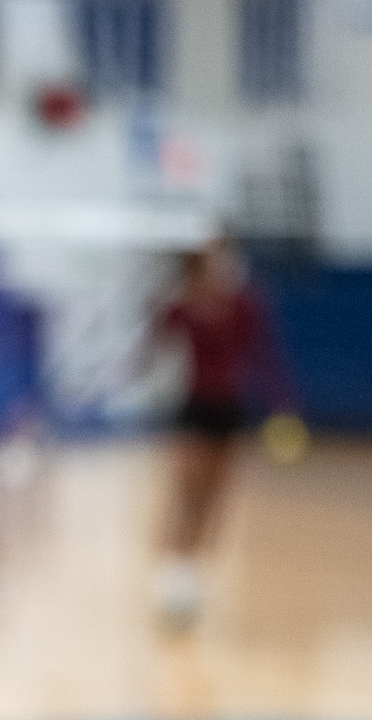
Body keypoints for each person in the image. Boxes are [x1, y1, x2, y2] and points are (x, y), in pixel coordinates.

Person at [150, 238, 296, 628]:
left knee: (214, 501)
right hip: (194, 409)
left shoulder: (246, 305)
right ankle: (173, 577)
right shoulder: (181, 307)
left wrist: (282, 402)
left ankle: (191, 576)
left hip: (228, 412)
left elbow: (265, 355)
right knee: (187, 494)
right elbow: (154, 344)